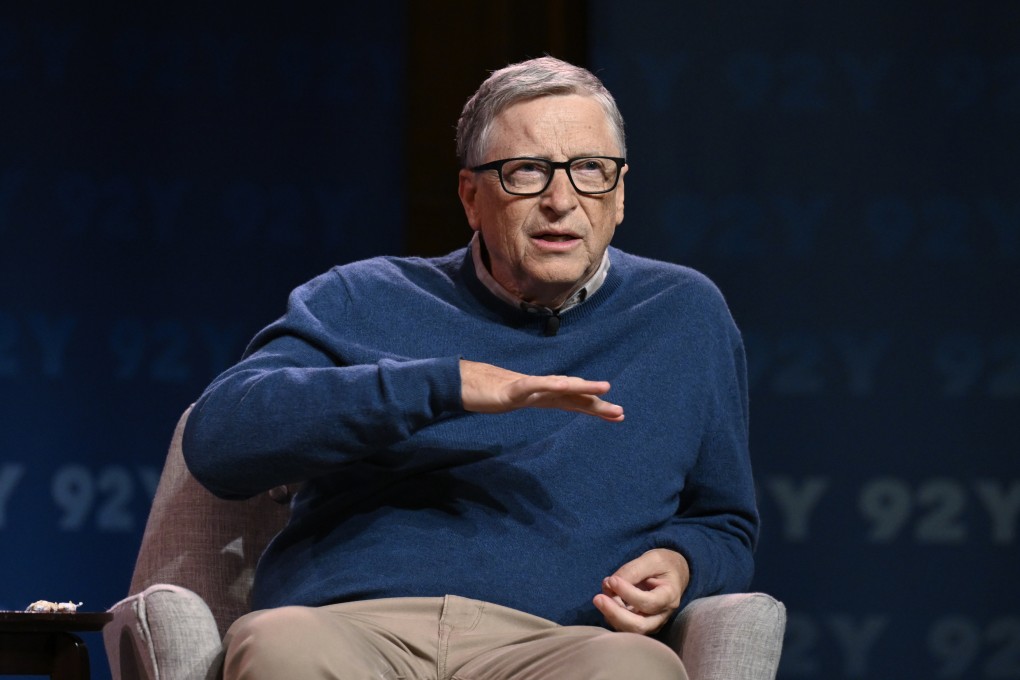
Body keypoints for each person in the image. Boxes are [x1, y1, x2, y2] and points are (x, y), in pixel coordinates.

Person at [183, 56, 759, 680]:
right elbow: (221, 442)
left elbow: (723, 521)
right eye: (526, 173)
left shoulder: (683, 314)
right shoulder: (362, 297)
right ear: (471, 197)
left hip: (561, 643)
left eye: (589, 170)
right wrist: (445, 385)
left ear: (619, 195)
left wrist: (682, 562)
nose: (561, 200)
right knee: (279, 648)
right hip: (353, 628)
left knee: (634, 670)